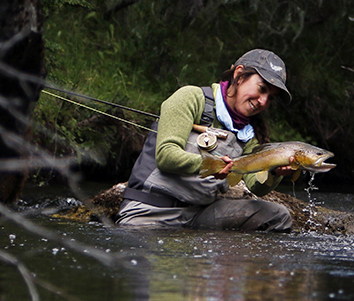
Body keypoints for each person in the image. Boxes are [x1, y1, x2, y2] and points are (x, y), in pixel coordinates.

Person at [116, 49, 295, 231]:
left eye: (270, 98)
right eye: (262, 89)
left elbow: (255, 187)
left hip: (199, 216)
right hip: (148, 210)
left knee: (278, 217)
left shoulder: (249, 134)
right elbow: (166, 156)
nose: (263, 101)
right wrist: (214, 165)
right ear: (239, 75)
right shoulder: (191, 97)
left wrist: (274, 173)